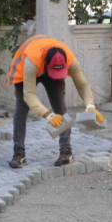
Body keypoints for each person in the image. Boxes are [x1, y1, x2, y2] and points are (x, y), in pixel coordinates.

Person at [6, 34, 104, 168]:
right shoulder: (32, 60)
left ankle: (66, 150)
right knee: (21, 111)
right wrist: (47, 115)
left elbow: (82, 85)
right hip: (25, 70)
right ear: (46, 65)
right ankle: (18, 153)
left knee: (60, 109)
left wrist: (90, 106)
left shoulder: (70, 59)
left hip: (47, 63)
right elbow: (28, 94)